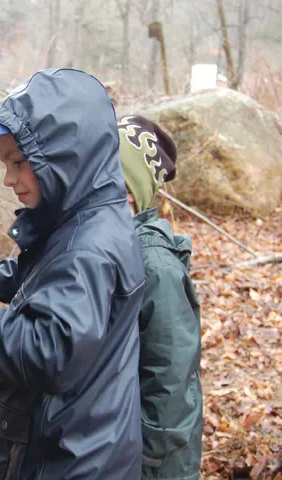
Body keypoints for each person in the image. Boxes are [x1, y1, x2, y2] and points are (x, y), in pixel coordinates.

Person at [0, 69, 146, 479]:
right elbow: (55, 284)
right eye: (5, 163)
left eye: (19, 162)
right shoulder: (85, 221)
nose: (9, 179)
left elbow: (51, 351)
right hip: (78, 444)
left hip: (71, 460)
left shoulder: (88, 248)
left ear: (68, 156)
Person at [117, 115, 203, 480]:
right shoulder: (113, 248)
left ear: (132, 193)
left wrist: (148, 460)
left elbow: (170, 380)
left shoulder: (156, 267)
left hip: (154, 462)